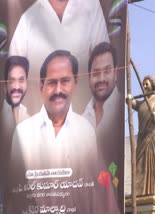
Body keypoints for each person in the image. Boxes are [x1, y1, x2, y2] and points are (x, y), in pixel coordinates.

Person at [6, 50, 120, 214]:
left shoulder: (85, 131)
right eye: (52, 83)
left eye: (65, 81)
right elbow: (13, 194)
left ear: (75, 82)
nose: (58, 90)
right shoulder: (22, 133)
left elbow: (97, 191)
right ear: (41, 87)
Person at [9, 0, 110, 114]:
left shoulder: (91, 6)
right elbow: (12, 75)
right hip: (35, 125)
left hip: (85, 122)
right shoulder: (28, 18)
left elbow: (105, 63)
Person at [82, 42, 123, 207]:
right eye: (96, 73)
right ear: (89, 76)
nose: (101, 79)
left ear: (116, 73)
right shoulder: (81, 121)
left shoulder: (121, 111)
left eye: (107, 71)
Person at [128, 75, 155, 195]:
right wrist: (128, 97)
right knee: (140, 168)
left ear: (152, 85)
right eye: (143, 84)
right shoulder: (142, 103)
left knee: (154, 169)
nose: (144, 86)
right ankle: (139, 194)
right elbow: (131, 102)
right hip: (142, 140)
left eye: (146, 83)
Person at [0, 55, 30, 214]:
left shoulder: (32, 120)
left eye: (21, 80)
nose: (16, 86)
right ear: (5, 86)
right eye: (12, 81)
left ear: (26, 84)